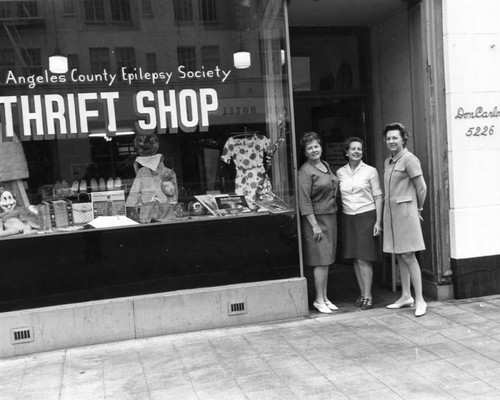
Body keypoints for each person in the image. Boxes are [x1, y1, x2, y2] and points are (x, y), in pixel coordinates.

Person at [382, 122, 427, 317]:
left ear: (403, 139)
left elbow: (422, 188)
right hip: (392, 216)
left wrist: (418, 208)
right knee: (399, 255)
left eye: (395, 138)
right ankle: (406, 296)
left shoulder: (409, 159)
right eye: (389, 138)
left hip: (406, 214)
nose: (391, 141)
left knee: (409, 255)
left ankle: (420, 300)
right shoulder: (388, 162)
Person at [337, 137, 382, 310]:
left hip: (366, 215)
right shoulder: (340, 172)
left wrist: (378, 221)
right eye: (353, 149)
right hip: (349, 217)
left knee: (364, 259)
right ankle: (362, 294)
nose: (357, 151)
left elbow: (378, 196)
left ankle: (368, 296)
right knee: (355, 259)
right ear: (346, 152)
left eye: (360, 149)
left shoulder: (370, 171)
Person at [298, 132, 339, 314]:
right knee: (320, 260)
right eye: (310, 148)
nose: (314, 150)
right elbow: (304, 201)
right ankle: (318, 299)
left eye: (316, 146)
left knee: (327, 260)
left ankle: (325, 297)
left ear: (321, 147)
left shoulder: (326, 165)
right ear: (305, 152)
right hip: (315, 220)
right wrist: (314, 224)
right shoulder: (305, 171)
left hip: (330, 217)